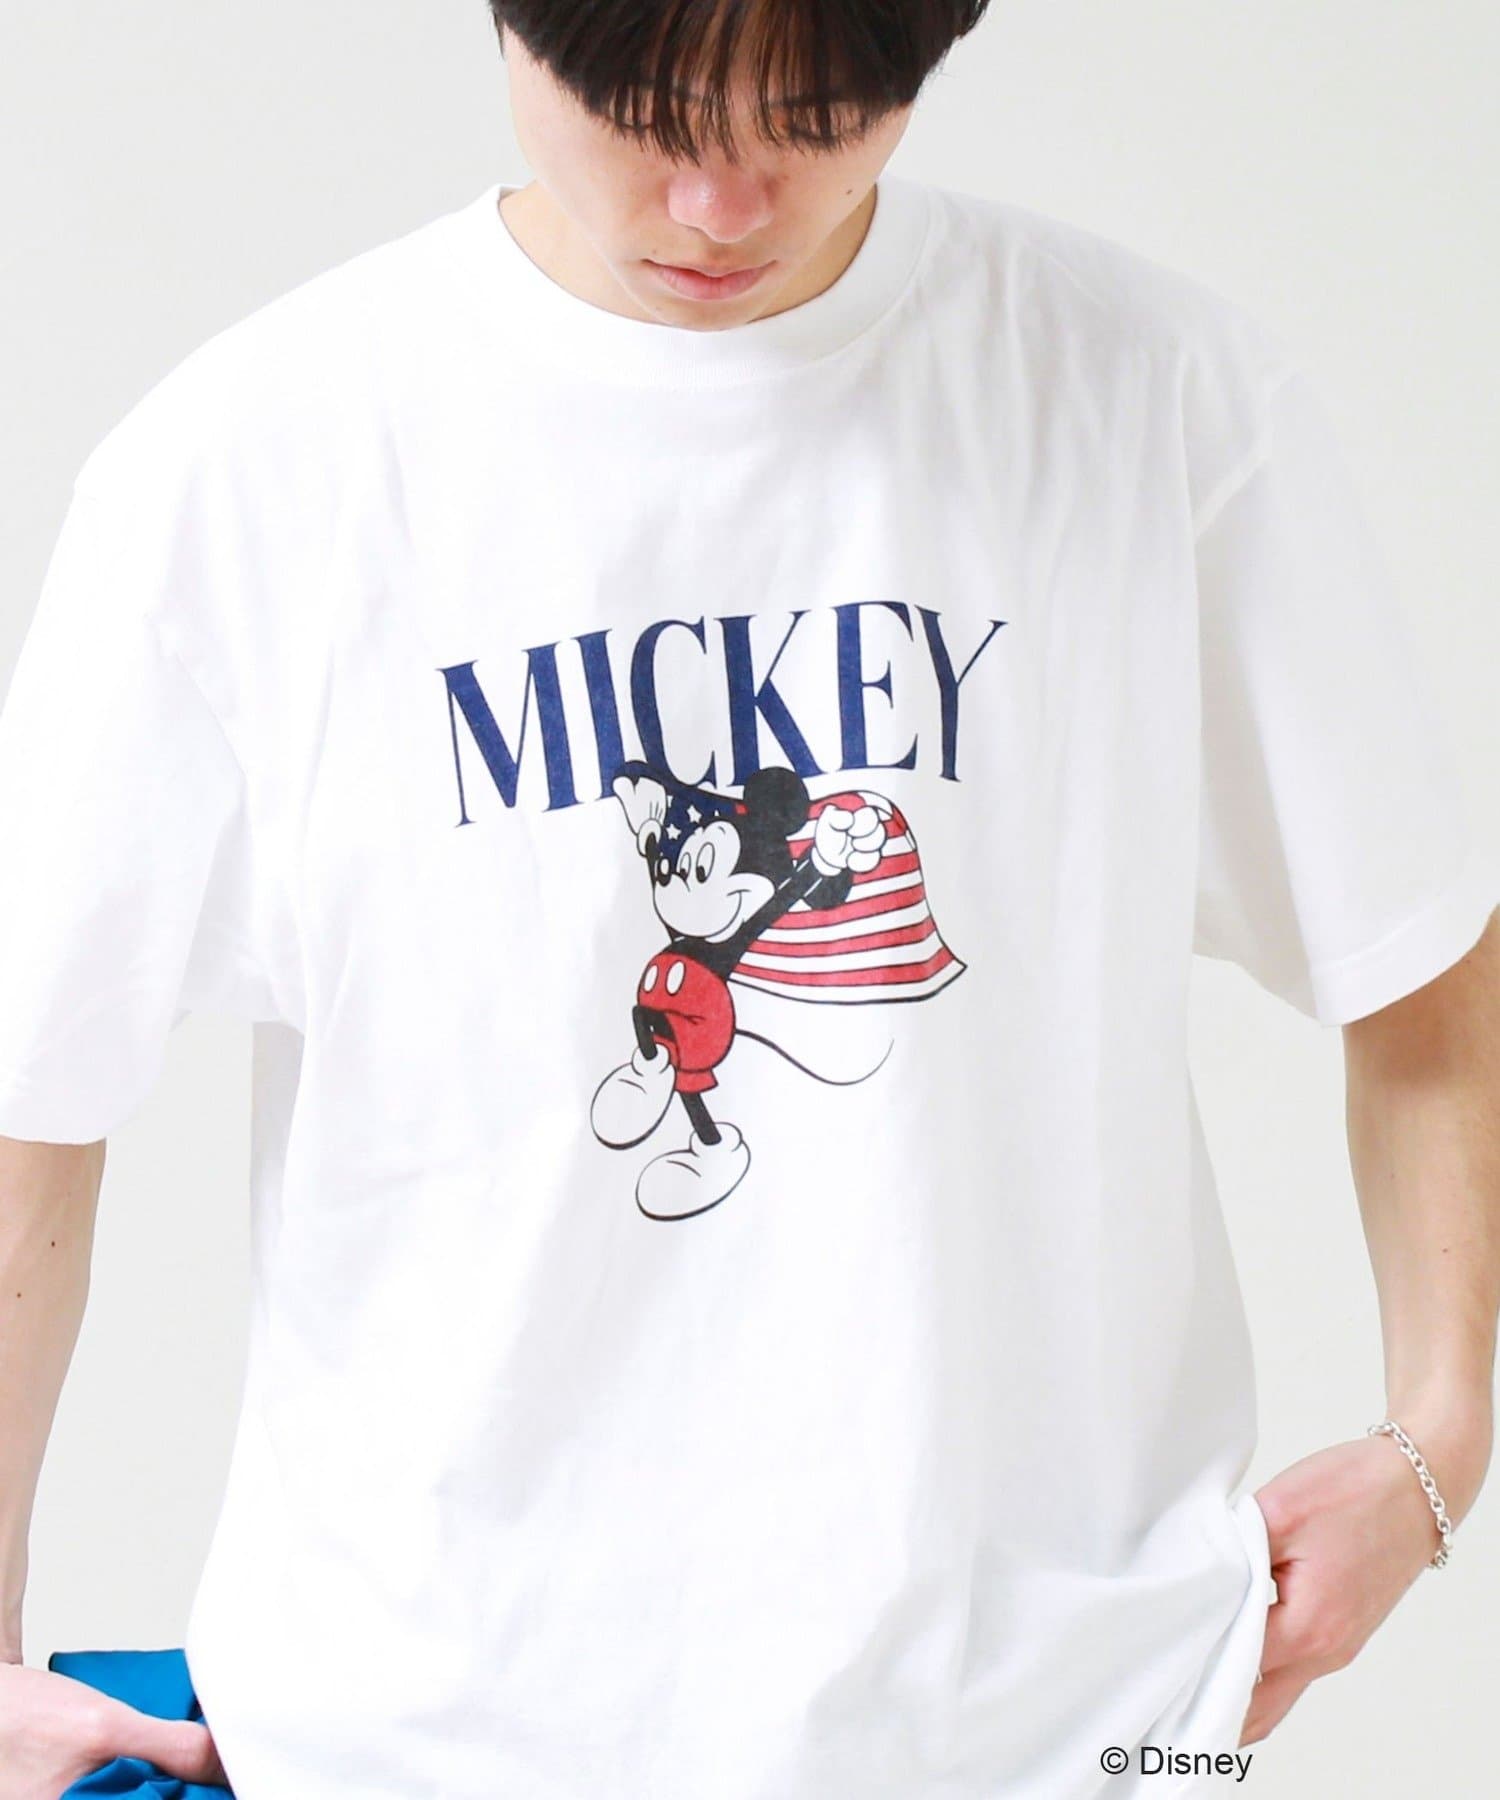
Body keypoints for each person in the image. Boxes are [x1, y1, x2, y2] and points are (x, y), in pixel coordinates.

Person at [1, 3, 1496, 1796]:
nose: (719, 201)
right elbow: (30, 1096)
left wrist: (1436, 1443)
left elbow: (1415, 948)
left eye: (815, 115)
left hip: (1062, 1723)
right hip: (430, 1730)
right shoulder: (251, 462)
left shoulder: (1145, 396)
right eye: (643, 111)